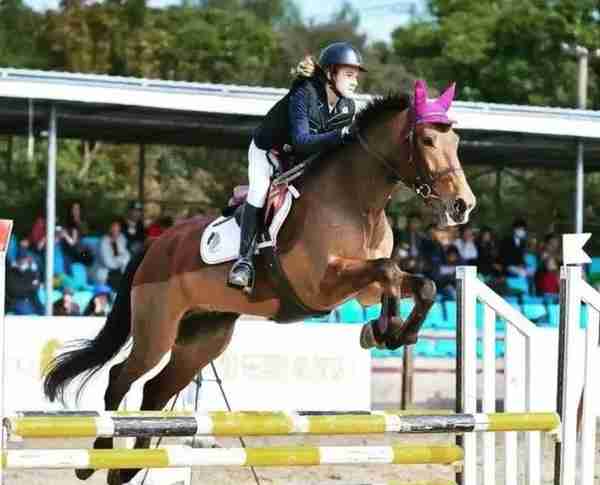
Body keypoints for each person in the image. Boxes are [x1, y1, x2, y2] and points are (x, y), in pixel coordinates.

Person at [228, 42, 366, 289]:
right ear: (330, 73)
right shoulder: (305, 92)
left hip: (299, 159)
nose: (355, 81)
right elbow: (302, 141)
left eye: (356, 75)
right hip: (268, 150)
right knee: (260, 192)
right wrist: (341, 135)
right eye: (349, 75)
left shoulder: (348, 107)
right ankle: (244, 262)